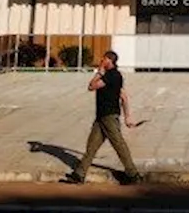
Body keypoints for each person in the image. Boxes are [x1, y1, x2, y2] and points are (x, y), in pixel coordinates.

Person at [61, 50, 143, 185]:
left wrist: (99, 72)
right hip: (101, 117)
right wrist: (127, 116)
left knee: (119, 144)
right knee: (91, 146)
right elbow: (123, 96)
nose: (101, 61)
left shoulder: (111, 75)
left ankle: (133, 174)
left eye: (103, 59)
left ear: (109, 60)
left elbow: (91, 86)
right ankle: (79, 174)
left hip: (109, 116)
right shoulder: (116, 76)